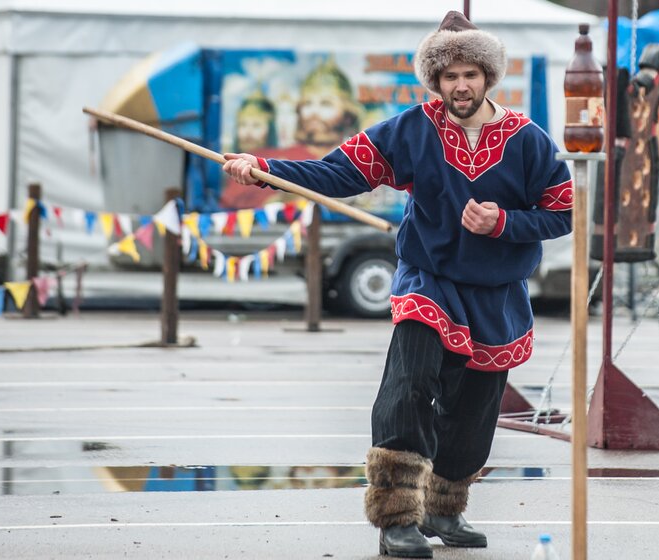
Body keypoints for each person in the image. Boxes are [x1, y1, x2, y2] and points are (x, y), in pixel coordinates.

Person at [223, 11, 572, 558]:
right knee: (407, 386)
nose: (460, 85)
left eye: (471, 74)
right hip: (429, 281)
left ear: (488, 78)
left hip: (497, 293)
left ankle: (444, 507)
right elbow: (336, 172)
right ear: (435, 80)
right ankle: (395, 519)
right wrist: (262, 167)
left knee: (477, 408)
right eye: (449, 75)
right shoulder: (411, 129)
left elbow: (562, 211)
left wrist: (503, 223)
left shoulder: (529, 140)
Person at [219, 58, 361, 209]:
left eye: (326, 104)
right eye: (308, 104)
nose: (314, 113)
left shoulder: (359, 160)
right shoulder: (276, 160)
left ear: (347, 115)